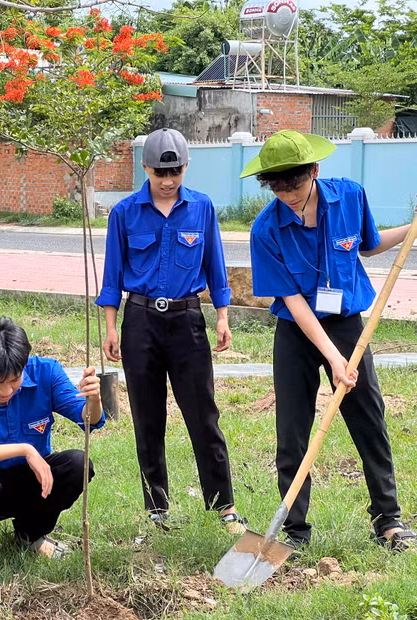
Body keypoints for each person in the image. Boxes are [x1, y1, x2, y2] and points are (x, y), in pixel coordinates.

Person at [244, 129, 416, 551]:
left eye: (296, 187)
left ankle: (389, 521)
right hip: (298, 332)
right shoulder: (265, 229)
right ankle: (295, 531)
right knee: (293, 431)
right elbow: (295, 304)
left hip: (347, 326)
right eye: (278, 190)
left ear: (315, 171)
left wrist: (413, 228)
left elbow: (370, 246)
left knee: (369, 420)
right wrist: (334, 359)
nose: (288, 197)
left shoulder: (351, 197)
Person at [97, 127, 246, 534]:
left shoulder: (202, 208)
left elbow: (216, 265)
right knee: (148, 418)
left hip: (187, 321)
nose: (167, 181)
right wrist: (111, 327)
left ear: (185, 167)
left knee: (204, 415)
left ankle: (224, 506)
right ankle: (157, 509)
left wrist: (222, 315)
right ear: (144, 167)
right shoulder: (125, 213)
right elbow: (112, 277)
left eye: (175, 171)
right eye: (160, 173)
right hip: (140, 323)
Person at [0, 317, 104, 570]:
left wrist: (93, 399)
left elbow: (89, 420)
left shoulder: (47, 372)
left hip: (36, 481)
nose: (6, 391)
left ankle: (30, 533)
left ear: (25, 365)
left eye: (14, 380)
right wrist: (26, 450)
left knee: (78, 463)